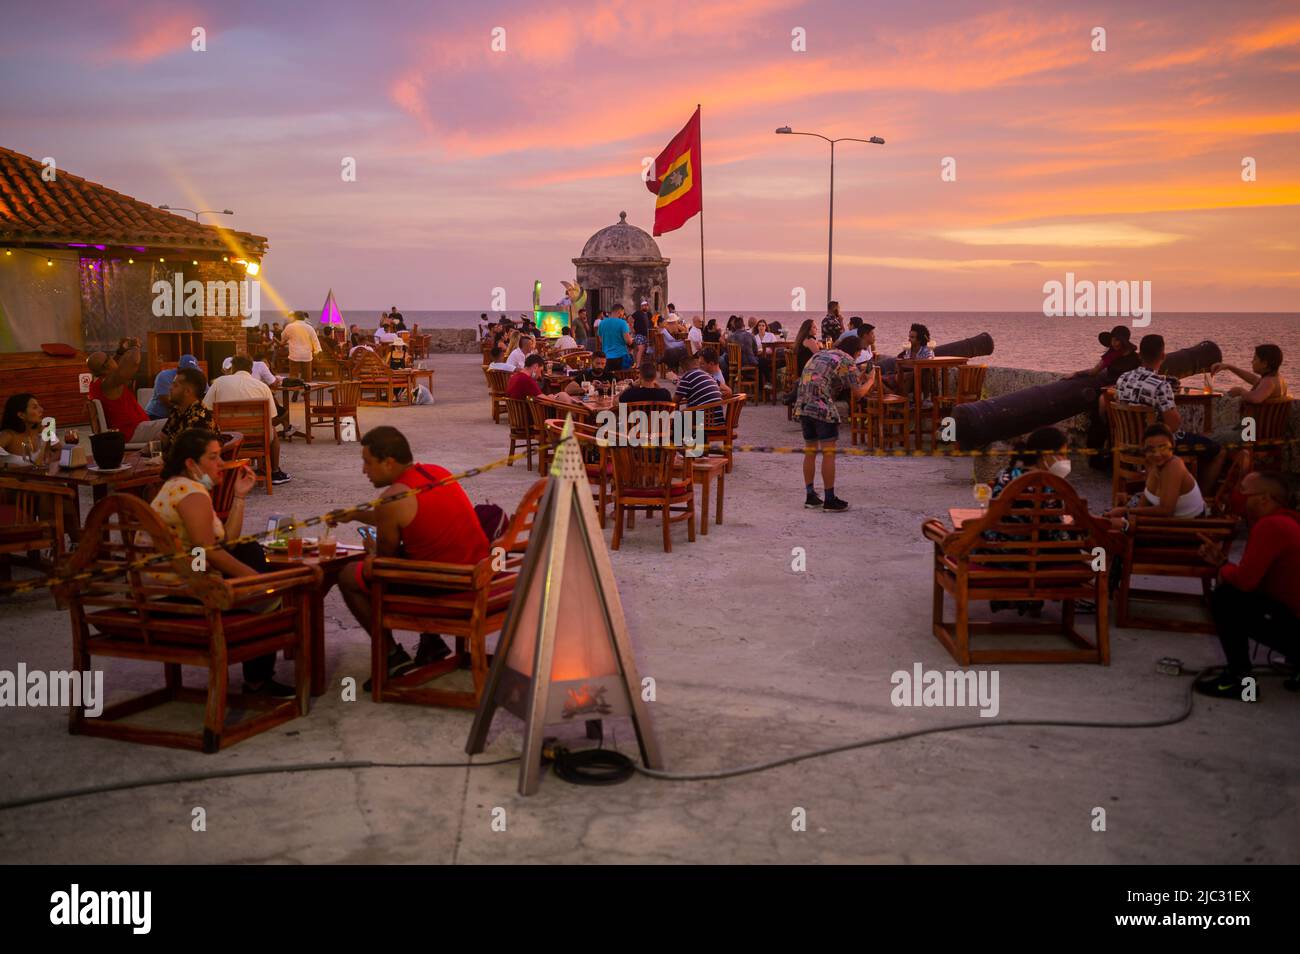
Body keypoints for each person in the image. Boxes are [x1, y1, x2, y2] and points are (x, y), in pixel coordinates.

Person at [333, 426, 491, 686]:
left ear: (388, 462)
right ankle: (431, 642)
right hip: (477, 574)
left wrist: (371, 552)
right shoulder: (436, 472)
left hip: (449, 587)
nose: (364, 470)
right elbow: (407, 515)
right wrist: (356, 515)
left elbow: (386, 564)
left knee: (350, 575)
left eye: (367, 462)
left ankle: (391, 654)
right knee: (416, 556)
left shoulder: (392, 499)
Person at [151, 428, 290, 695]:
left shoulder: (178, 487)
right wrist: (257, 581)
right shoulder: (190, 493)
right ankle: (258, 679)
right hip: (176, 594)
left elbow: (225, 541)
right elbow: (209, 550)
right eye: (213, 458)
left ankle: (258, 677)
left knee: (246, 549)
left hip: (170, 584)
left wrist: (239, 496)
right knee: (272, 593)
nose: (222, 464)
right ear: (191, 463)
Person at [1195, 471, 1300, 699]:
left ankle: (1241, 680)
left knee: (1225, 597)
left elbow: (1244, 582)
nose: (1237, 495)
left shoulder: (1271, 526)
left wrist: (1223, 568)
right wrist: (1223, 563)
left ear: (1264, 498)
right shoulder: (1286, 521)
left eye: (1243, 490)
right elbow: (1252, 577)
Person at [981, 426, 1082, 615]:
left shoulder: (1005, 474)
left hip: (999, 554)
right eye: (1061, 455)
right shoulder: (1050, 485)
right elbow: (1054, 531)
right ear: (1045, 455)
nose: (1064, 460)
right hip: (1033, 558)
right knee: (1078, 543)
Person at [1113, 334, 1226, 491]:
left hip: (1128, 443)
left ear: (1139, 355)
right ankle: (1202, 499)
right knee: (1217, 450)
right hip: (1156, 446)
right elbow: (1173, 425)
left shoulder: (1123, 379)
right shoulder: (1161, 385)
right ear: (1163, 356)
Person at [793, 335, 873, 512]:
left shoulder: (823, 354)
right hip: (821, 406)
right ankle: (829, 499)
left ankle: (810, 496)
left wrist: (860, 376)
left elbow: (842, 379)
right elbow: (858, 393)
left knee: (810, 451)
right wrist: (871, 380)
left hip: (803, 405)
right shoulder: (848, 360)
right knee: (829, 453)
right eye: (859, 353)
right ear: (857, 351)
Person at [203, 354, 292, 485]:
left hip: (226, 438)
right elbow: (272, 417)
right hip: (257, 437)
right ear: (250, 369)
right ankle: (274, 472)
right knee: (272, 430)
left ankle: (217, 471)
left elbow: (206, 408)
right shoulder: (262, 387)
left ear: (232, 368)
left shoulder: (219, 383)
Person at [1104, 424, 1205, 522]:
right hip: (1163, 522)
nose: (1157, 454)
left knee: (1111, 527)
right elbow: (1147, 496)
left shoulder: (1174, 466)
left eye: (1163, 447)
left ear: (1172, 446)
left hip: (1184, 527)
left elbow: (1166, 510)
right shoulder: (1153, 464)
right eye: (1150, 449)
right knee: (1108, 521)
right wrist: (1129, 513)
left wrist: (1126, 511)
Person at [86, 346, 162, 445]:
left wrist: (120, 351)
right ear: (106, 367)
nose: (113, 358)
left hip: (134, 428)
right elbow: (133, 362)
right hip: (131, 431)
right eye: (109, 357)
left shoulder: (97, 384)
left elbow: (117, 367)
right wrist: (135, 346)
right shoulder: (109, 383)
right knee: (178, 423)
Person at [0, 393, 77, 464]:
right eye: (35, 407)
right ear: (21, 415)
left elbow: (61, 450)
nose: (41, 410)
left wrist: (48, 461)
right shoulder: (8, 435)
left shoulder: (43, 430)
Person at [159, 366, 214, 454]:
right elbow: (163, 438)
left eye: (175, 385)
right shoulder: (177, 409)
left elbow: (189, 456)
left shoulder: (198, 418)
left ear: (187, 391)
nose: (170, 388)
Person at [1213, 344, 1288, 403]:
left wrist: (1240, 391)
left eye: (1255, 359)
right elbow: (1254, 379)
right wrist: (1230, 367)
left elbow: (1256, 398)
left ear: (1264, 363)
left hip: (1256, 422)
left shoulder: (1269, 382)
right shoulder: (1277, 379)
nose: (1252, 362)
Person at [1069, 325, 1139, 380]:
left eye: (1117, 340)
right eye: (1112, 340)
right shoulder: (1110, 355)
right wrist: (1077, 373)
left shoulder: (1136, 357)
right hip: (1111, 387)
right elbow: (1094, 371)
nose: (1114, 343)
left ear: (1124, 341)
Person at [145, 354, 199, 420]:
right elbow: (166, 400)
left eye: (193, 371)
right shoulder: (164, 376)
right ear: (179, 369)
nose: (191, 374)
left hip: (180, 415)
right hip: (156, 416)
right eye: (188, 371)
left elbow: (204, 394)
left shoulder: (197, 377)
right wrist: (189, 409)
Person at [675, 351, 724, 425]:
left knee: (666, 417)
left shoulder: (687, 376)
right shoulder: (708, 375)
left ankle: (657, 435)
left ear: (682, 369)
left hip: (702, 423)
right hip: (718, 421)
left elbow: (674, 401)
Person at [281, 313, 322, 381]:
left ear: (294, 318)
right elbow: (315, 341)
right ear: (303, 318)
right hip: (306, 356)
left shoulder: (290, 326)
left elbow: (283, 337)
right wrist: (318, 351)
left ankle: (295, 390)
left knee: (293, 377)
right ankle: (307, 390)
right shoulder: (309, 327)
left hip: (294, 355)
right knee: (307, 378)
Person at [598, 304, 633, 369]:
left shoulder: (602, 323)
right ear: (619, 312)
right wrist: (631, 340)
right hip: (621, 356)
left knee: (609, 378)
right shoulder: (622, 323)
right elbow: (628, 341)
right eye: (622, 314)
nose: (622, 316)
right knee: (623, 377)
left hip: (606, 357)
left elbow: (601, 340)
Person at [630, 299, 653, 365]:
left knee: (645, 351)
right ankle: (638, 365)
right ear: (641, 306)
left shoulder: (649, 314)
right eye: (643, 305)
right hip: (639, 334)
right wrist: (632, 328)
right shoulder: (638, 313)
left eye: (646, 305)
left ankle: (643, 365)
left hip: (647, 335)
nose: (645, 307)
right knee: (641, 349)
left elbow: (651, 322)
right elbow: (630, 319)